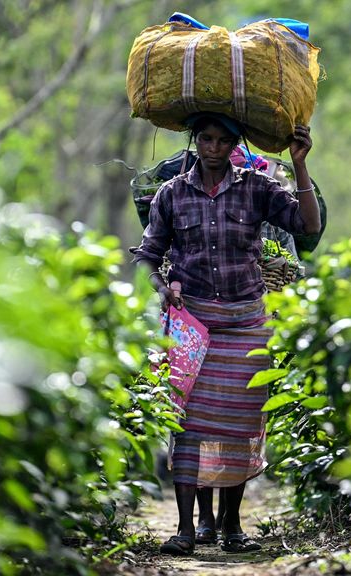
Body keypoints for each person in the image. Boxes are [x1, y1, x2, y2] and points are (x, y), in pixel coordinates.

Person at [129, 112, 321, 556]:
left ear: (234, 143)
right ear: (196, 141)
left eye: (222, 140)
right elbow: (147, 254)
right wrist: (161, 289)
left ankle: (232, 525)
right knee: (188, 424)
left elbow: (307, 225)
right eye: (206, 139)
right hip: (193, 322)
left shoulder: (257, 189)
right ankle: (186, 529)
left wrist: (301, 162)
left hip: (245, 321)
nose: (214, 148)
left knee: (239, 422)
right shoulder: (171, 194)